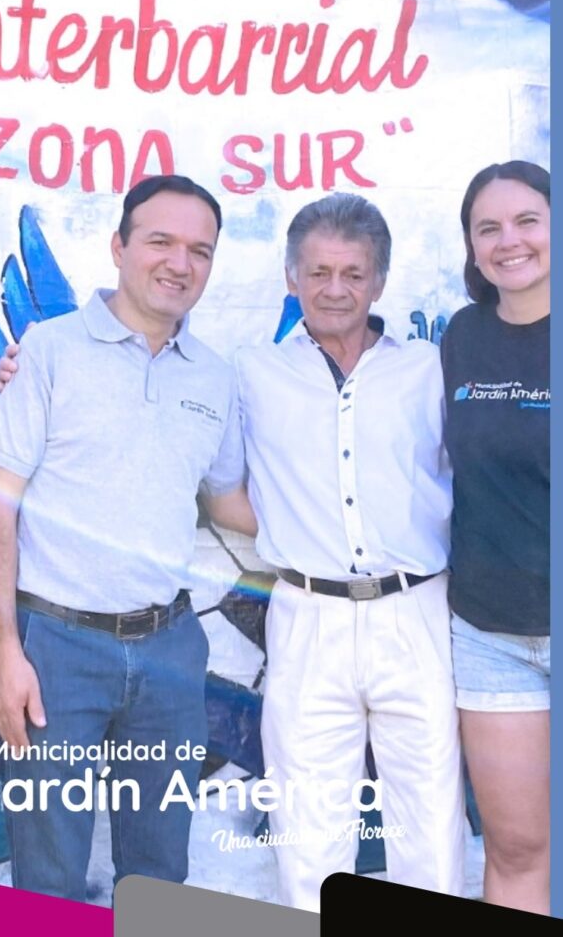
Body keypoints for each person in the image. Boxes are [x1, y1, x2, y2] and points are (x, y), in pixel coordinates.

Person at [0, 175, 251, 903]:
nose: (179, 262)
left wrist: (349, 530)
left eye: (199, 249)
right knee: (49, 877)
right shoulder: (50, 349)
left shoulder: (215, 377)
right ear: (118, 247)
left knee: (160, 876)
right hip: (55, 650)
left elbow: (227, 502)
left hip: (169, 650)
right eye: (159, 241)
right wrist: (6, 649)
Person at [234, 192, 466, 912]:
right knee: (306, 830)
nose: (335, 289)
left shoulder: (428, 369)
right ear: (290, 275)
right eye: (318, 272)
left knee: (429, 822)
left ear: (379, 281)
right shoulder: (250, 375)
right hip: (307, 614)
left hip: (414, 610)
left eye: (353, 273)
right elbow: (216, 491)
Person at [440, 161, 550, 914]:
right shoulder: (462, 337)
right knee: (514, 847)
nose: (507, 241)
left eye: (526, 221)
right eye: (488, 228)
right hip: (492, 635)